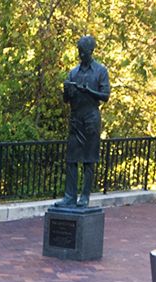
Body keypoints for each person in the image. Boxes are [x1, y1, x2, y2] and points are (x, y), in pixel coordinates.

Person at [55, 35, 110, 208]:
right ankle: (69, 196)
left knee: (89, 159)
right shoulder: (74, 72)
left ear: (91, 51)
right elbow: (66, 100)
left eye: (83, 51)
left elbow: (105, 95)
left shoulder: (100, 71)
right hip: (76, 118)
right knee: (71, 159)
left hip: (91, 118)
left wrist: (88, 91)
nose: (81, 55)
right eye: (79, 51)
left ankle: (84, 196)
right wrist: (67, 90)